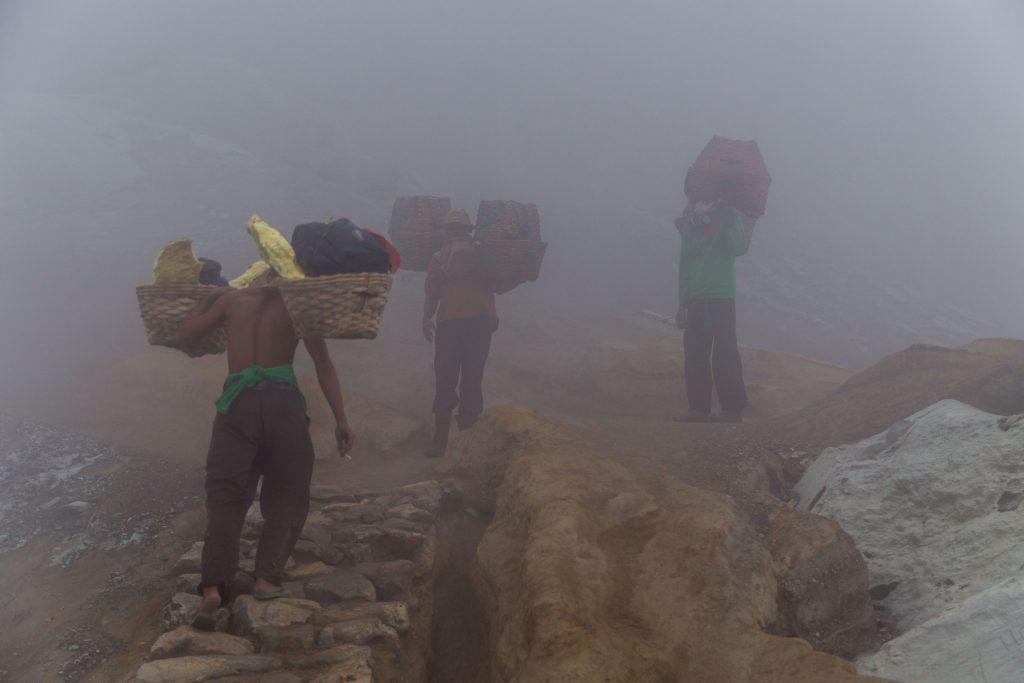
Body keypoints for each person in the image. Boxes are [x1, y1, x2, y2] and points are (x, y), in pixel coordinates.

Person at [174, 278, 356, 629]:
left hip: (237, 405)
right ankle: (267, 579)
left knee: (225, 497)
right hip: (282, 405)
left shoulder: (234, 299)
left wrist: (211, 297)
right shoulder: (300, 303)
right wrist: (342, 420)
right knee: (288, 491)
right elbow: (323, 364)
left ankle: (213, 588)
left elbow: (184, 333)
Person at [422, 208, 497, 458]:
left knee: (471, 378)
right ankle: (442, 441)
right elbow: (432, 293)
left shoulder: (482, 256)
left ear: (467, 231)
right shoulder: (439, 258)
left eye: (460, 228)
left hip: (476, 323)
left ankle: (463, 444)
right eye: (452, 228)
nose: (456, 232)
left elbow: (493, 284)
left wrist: (492, 313)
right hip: (451, 324)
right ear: (445, 232)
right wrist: (426, 318)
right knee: (446, 377)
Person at [674, 200, 749, 423]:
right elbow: (685, 264)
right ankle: (698, 409)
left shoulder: (728, 213)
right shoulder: (691, 222)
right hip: (696, 296)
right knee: (694, 353)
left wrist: (731, 223)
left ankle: (732, 410)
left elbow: (739, 248)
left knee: (725, 352)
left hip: (721, 294)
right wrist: (682, 303)